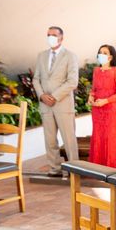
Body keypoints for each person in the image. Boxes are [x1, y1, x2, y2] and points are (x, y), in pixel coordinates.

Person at [32, 26, 79, 177]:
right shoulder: (41, 56)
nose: (50, 37)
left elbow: (72, 81)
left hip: (63, 104)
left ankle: (75, 170)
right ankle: (54, 169)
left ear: (61, 38)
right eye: (48, 35)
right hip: (45, 105)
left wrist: (55, 96)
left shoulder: (70, 56)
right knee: (50, 140)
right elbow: (36, 78)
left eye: (53, 35)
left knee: (69, 140)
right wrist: (41, 95)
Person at [88, 45, 116, 168]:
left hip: (111, 110)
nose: (101, 54)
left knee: (110, 138)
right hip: (97, 111)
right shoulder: (96, 71)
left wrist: (106, 101)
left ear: (110, 56)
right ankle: (97, 168)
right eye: (100, 52)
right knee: (97, 136)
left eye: (104, 52)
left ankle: (111, 168)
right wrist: (91, 97)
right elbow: (94, 89)